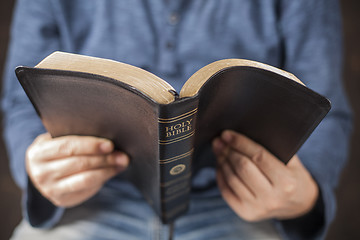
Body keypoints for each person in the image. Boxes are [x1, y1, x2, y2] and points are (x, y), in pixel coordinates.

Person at [2, 0, 352, 239]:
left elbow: (325, 108)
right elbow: (21, 101)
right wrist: (39, 171)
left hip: (240, 203)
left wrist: (304, 196)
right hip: (91, 200)